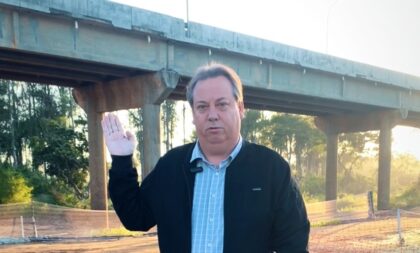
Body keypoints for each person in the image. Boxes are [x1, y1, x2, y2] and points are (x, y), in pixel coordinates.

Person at [102, 63, 310, 253]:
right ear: (193, 113)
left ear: (240, 108)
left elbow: (293, 244)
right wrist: (121, 160)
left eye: (222, 104)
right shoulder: (172, 166)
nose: (212, 115)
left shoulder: (271, 169)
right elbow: (135, 218)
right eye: (202, 106)